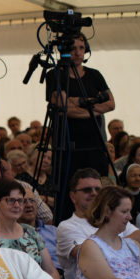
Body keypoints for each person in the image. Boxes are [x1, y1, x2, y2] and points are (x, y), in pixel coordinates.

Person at [57, 169, 140, 279]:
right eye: (87, 190)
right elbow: (88, 254)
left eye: (98, 189)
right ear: (73, 196)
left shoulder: (115, 219)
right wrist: (117, 242)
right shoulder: (67, 226)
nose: (94, 193)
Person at [45, 34, 115, 179]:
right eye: (73, 48)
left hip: (95, 145)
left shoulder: (94, 75)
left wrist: (76, 102)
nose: (78, 53)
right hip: (68, 148)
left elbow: (110, 104)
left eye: (81, 48)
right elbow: (62, 107)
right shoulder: (55, 75)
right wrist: (93, 105)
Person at [0, 180, 61, 279]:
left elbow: (51, 270)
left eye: (20, 201)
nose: (16, 205)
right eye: (11, 200)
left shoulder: (30, 231)